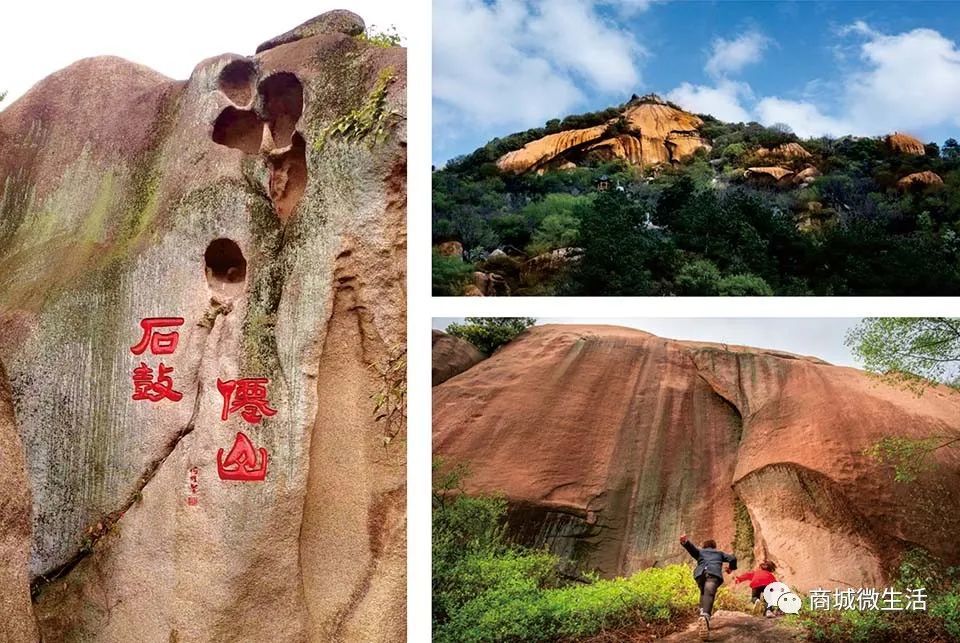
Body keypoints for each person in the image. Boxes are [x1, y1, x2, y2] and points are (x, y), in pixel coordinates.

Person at [680, 535, 737, 639]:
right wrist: (730, 568)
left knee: (703, 593)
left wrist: (686, 542)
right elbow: (732, 558)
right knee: (709, 594)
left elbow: (693, 550)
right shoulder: (719, 553)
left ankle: (702, 613)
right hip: (713, 573)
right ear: (714, 546)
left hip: (700, 574)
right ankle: (705, 616)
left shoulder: (701, 552)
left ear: (704, 546)